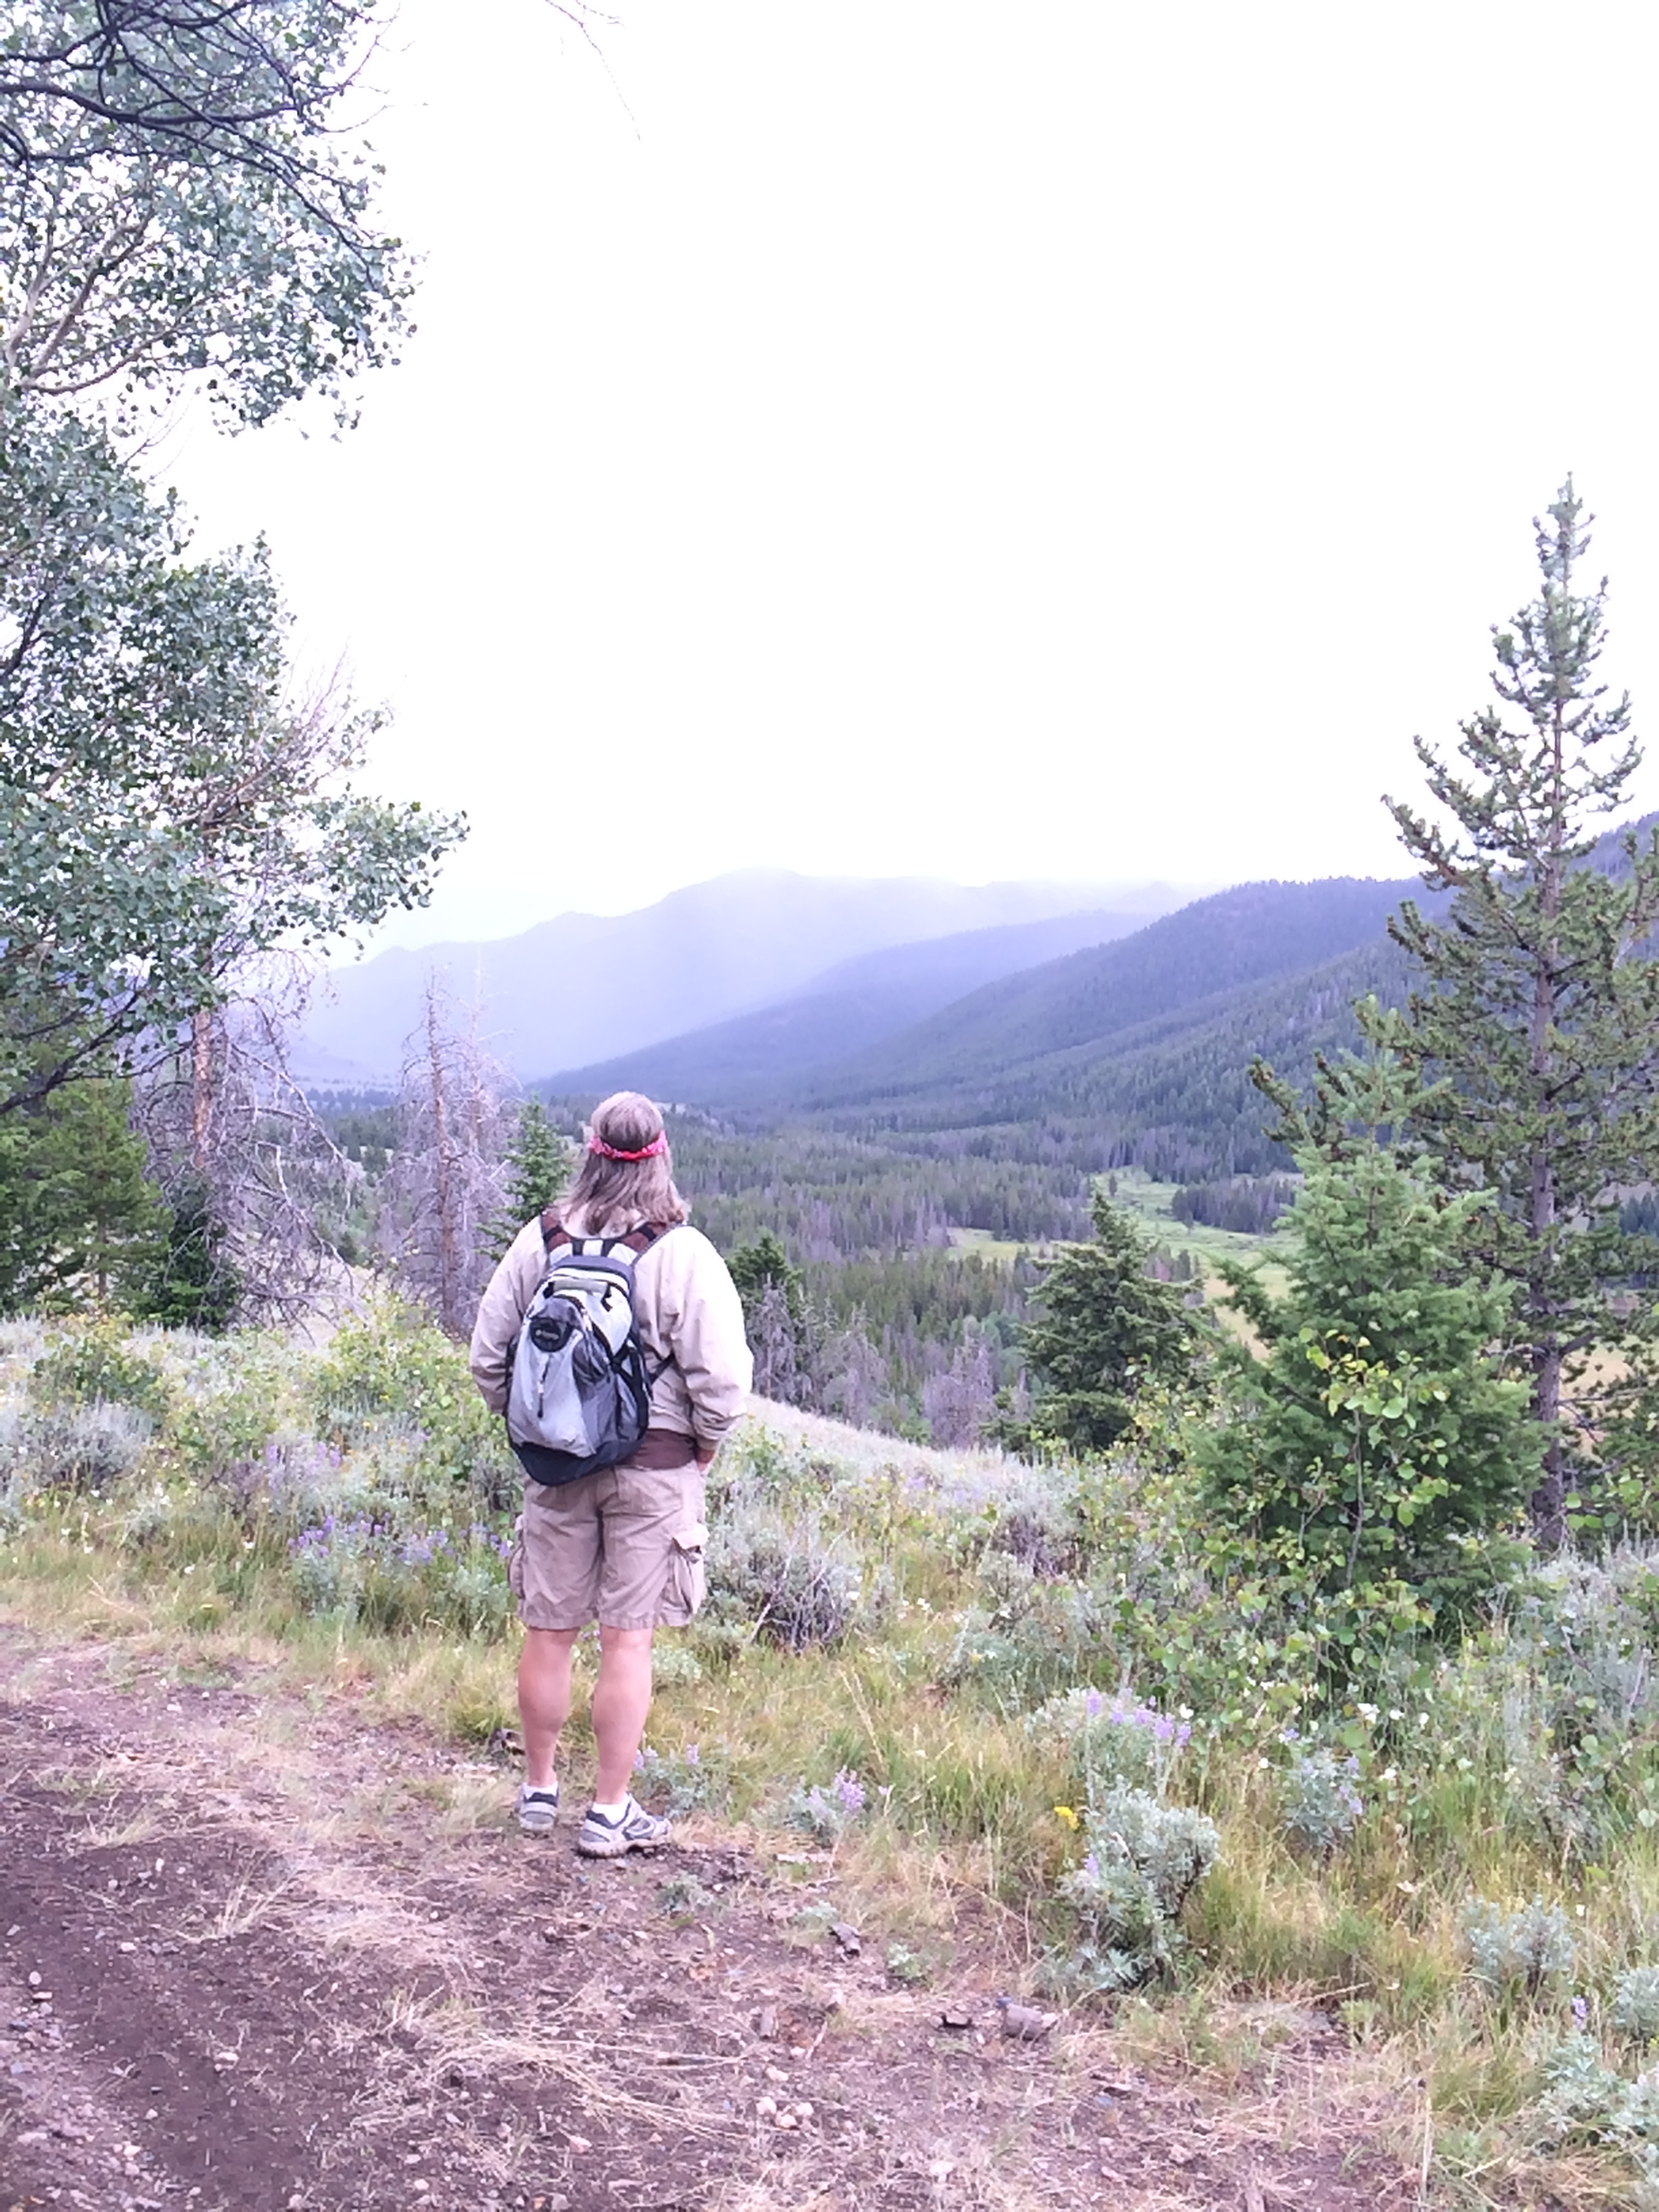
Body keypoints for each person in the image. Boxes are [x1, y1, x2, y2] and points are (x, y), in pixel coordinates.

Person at [469, 1090, 752, 1855]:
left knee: (549, 1631)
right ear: (661, 1156)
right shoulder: (683, 1252)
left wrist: (536, 1425)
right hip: (654, 1469)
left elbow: (488, 1357)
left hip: (555, 1466)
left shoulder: (544, 1239)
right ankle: (608, 1812)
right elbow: (723, 1383)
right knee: (628, 1642)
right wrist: (703, 1448)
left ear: (590, 1150)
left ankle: (538, 1791)